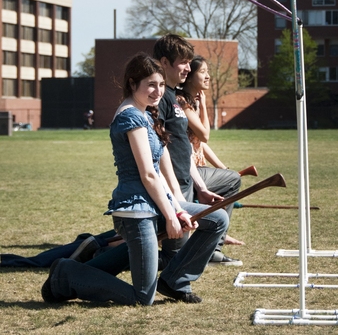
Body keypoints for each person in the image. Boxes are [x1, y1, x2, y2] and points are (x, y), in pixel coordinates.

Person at [41, 53, 228, 305]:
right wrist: (172, 216)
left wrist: (177, 208)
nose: (158, 91)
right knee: (142, 297)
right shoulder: (131, 116)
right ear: (132, 84)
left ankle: (174, 281)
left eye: (161, 85)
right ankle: (66, 274)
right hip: (136, 209)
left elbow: (159, 172)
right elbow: (148, 174)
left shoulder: (146, 114)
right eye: (151, 84)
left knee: (217, 217)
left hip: (154, 203)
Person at [153, 35, 242, 266]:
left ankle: (212, 249)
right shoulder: (162, 99)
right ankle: (95, 251)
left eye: (188, 62)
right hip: (174, 185)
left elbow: (186, 148)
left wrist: (201, 187)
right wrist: (175, 192)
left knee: (175, 252)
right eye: (183, 62)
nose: (187, 68)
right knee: (172, 255)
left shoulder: (173, 97)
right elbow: (160, 150)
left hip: (186, 179)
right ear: (164, 62)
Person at [177, 55, 244, 247]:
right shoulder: (182, 102)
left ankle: (219, 234)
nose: (208, 77)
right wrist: (205, 107)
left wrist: (223, 167)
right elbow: (205, 135)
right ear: (189, 77)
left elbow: (201, 144)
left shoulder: (192, 102)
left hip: (198, 167)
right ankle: (216, 241)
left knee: (229, 178)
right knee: (231, 181)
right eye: (203, 72)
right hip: (189, 170)